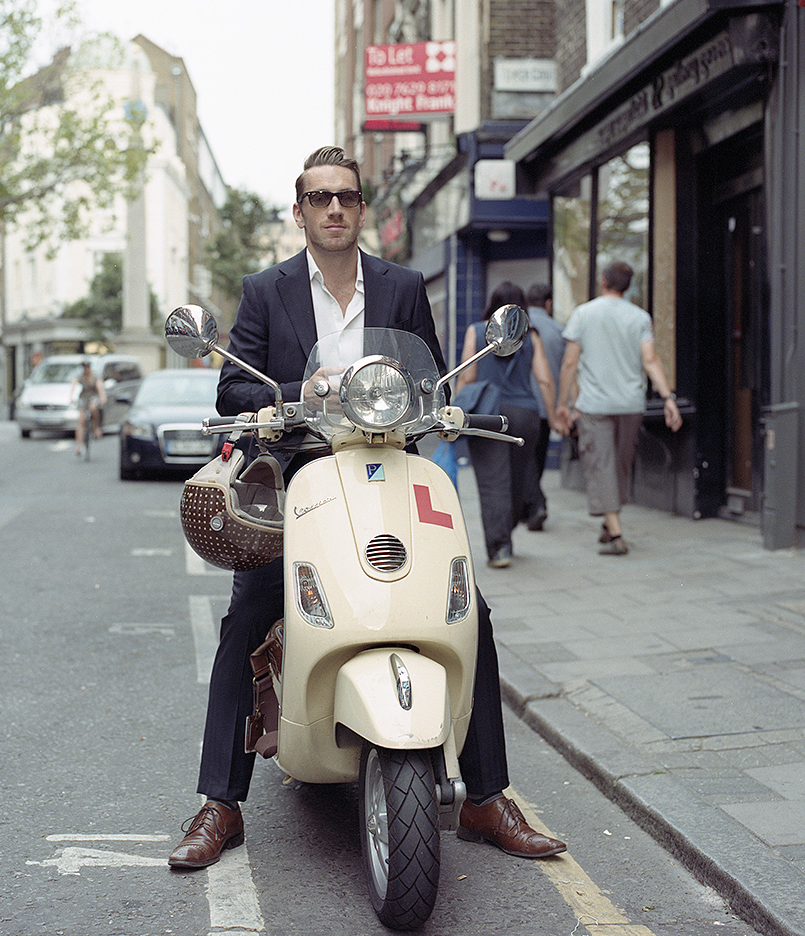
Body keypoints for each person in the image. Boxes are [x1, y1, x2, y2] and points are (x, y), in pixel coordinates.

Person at [167, 146, 565, 870]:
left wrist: (438, 409)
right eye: (319, 198)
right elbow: (231, 392)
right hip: (304, 473)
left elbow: (435, 381)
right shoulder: (267, 290)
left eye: (345, 196)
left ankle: (484, 796)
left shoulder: (404, 286)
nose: (333, 209)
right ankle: (219, 804)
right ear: (300, 211)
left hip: (390, 469)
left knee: (467, 610)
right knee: (249, 612)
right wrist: (294, 396)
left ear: (362, 206)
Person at [553, 261, 683, 555]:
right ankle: (609, 524)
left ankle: (616, 536)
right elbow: (650, 359)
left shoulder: (583, 314)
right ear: (627, 286)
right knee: (621, 464)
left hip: (594, 404)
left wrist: (563, 404)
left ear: (602, 281)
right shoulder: (639, 317)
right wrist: (667, 397)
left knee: (602, 464)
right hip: (630, 403)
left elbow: (570, 362)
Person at [454, 282, 556, 569]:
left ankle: (500, 548)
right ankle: (505, 533)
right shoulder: (530, 335)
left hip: (489, 415)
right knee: (517, 480)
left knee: (492, 483)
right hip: (525, 415)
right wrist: (555, 415)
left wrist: (458, 413)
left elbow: (466, 376)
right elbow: (545, 379)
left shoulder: (476, 331)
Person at [525, 283, 566, 531]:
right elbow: (564, 370)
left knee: (525, 460)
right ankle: (534, 505)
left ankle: (534, 505)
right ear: (548, 303)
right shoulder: (558, 331)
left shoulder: (517, 327)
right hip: (545, 406)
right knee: (537, 459)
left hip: (519, 404)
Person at [70, 360, 105, 456]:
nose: (86, 369)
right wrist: (71, 396)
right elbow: (73, 384)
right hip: (84, 397)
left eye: (87, 367)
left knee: (94, 408)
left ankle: (96, 427)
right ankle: (79, 446)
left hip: (93, 396)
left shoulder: (95, 375)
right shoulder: (80, 375)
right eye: (84, 367)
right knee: (81, 420)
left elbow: (100, 387)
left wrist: (102, 397)